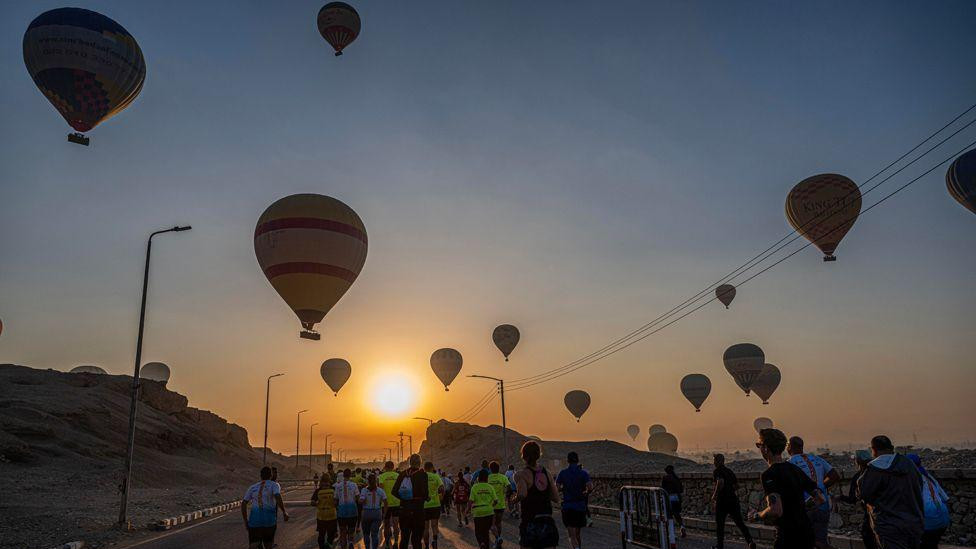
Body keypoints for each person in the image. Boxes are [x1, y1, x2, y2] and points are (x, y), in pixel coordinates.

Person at [751, 428, 823, 549]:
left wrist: (757, 515)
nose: (759, 449)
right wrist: (800, 507)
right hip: (806, 533)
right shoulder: (795, 470)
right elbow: (820, 498)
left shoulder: (769, 475)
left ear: (766, 448)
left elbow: (776, 510)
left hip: (788, 537)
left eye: (759, 445)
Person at [858, 436, 924, 549]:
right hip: (913, 523)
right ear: (892, 448)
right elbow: (919, 486)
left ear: (873, 450)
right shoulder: (909, 464)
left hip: (888, 526)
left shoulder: (874, 469)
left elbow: (864, 494)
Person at [788, 436, 841, 549]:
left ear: (789, 447)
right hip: (823, 504)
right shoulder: (816, 458)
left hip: (805, 507)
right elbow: (834, 475)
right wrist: (820, 488)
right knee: (821, 540)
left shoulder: (790, 463)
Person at [514, 441, 560, 549]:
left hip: (530, 522)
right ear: (539, 455)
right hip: (547, 522)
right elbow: (556, 497)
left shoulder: (521, 474)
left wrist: (513, 499)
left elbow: (522, 494)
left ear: (524, 456)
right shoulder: (546, 472)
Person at [710, 453, 756, 549]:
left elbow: (720, 482)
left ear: (718, 461)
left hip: (722, 501)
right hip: (732, 500)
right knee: (740, 523)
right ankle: (750, 541)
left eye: (714, 460)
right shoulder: (729, 471)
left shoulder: (717, 471)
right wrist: (729, 491)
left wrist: (714, 495)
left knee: (720, 524)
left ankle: (720, 546)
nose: (713, 462)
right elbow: (736, 486)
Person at [907, 454, 950, 549]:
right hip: (943, 518)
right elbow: (945, 498)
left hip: (928, 520)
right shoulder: (928, 477)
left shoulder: (909, 479)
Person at [836, 450, 878, 549]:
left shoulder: (858, 477)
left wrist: (839, 497)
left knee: (868, 536)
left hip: (871, 512)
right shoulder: (878, 473)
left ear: (857, 461)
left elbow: (853, 499)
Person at [241, 466, 289, 549]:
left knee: (253, 544)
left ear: (260, 475)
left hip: (254, 522)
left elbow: (244, 503)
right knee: (268, 545)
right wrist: (284, 511)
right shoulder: (274, 485)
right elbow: (277, 496)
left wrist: (245, 520)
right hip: (269, 522)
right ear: (271, 476)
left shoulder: (253, 487)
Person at [393, 454, 430, 549]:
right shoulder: (423, 475)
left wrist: (404, 498)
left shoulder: (402, 474)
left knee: (404, 538)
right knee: (416, 540)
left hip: (404, 509)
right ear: (420, 463)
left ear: (410, 462)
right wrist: (426, 498)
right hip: (418, 511)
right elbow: (425, 494)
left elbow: (394, 491)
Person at [555, 452, 592, 549]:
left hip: (568, 507)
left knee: (572, 535)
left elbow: (556, 488)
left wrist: (564, 489)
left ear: (568, 461)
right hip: (580, 507)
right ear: (578, 460)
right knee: (577, 534)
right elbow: (590, 487)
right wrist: (585, 493)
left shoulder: (562, 473)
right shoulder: (584, 473)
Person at [469, 469, 500, 549]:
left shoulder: (474, 487)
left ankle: (481, 543)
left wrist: (468, 510)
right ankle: (486, 545)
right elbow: (496, 500)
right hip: (489, 512)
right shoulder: (490, 487)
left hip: (478, 512)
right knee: (486, 532)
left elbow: (471, 501)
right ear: (487, 478)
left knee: (478, 532)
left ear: (478, 478)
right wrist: (491, 506)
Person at [360, 473, 389, 549]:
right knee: (375, 534)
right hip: (377, 512)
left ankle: (367, 547)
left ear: (368, 481)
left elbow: (361, 501)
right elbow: (386, 502)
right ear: (376, 481)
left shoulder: (364, 490)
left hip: (366, 512)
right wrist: (384, 513)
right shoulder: (380, 490)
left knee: (366, 534)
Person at [487, 461, 512, 549]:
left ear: (490, 469)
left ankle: (498, 538)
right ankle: (498, 540)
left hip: (491, 504)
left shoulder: (488, 478)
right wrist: (505, 494)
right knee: (499, 523)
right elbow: (509, 487)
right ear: (498, 469)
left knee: (491, 524)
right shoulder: (503, 477)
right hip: (501, 504)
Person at [379, 461, 402, 549]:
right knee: (396, 524)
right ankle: (396, 541)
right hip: (396, 502)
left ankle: (388, 543)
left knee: (386, 525)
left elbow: (380, 489)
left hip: (385, 504)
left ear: (385, 467)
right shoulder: (397, 476)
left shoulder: (382, 476)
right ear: (393, 467)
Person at [336, 469, 361, 549]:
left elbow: (336, 499)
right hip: (352, 510)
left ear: (343, 475)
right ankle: (350, 542)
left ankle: (343, 545)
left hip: (341, 511)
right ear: (350, 475)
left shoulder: (338, 486)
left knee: (343, 531)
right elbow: (358, 498)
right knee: (351, 529)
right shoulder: (354, 485)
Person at [313, 474, 339, 549]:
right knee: (331, 535)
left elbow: (312, 502)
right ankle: (328, 545)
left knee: (321, 535)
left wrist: (317, 503)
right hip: (332, 516)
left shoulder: (318, 491)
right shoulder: (333, 489)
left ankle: (322, 547)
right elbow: (337, 501)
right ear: (329, 481)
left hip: (321, 516)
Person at [423, 461, 445, 549]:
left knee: (425, 528)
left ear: (424, 468)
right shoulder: (436, 476)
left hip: (424, 505)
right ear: (432, 468)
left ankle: (427, 546)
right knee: (435, 525)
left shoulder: (422, 477)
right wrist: (441, 497)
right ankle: (435, 541)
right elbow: (442, 488)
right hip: (435, 504)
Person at [660, 465, 686, 538]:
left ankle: (672, 534)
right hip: (676, 498)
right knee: (677, 514)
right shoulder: (676, 478)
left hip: (668, 497)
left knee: (669, 515)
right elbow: (681, 490)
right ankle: (682, 527)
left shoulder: (665, 478)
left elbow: (663, 489)